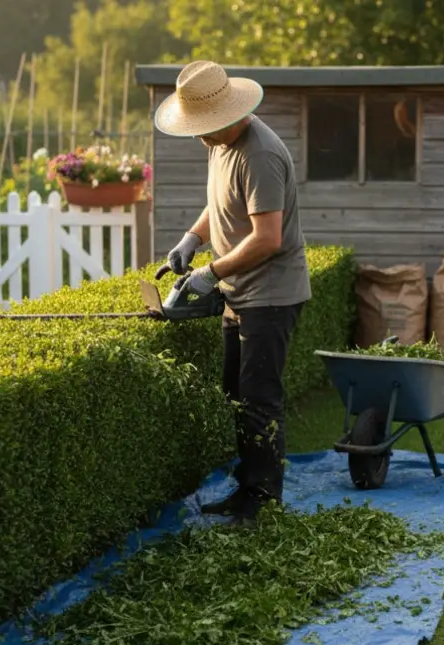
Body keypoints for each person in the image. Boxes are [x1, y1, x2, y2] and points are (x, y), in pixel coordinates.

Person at [154, 60, 311, 527]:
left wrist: (209, 273)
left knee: (260, 399)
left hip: (271, 295)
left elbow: (268, 238)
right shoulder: (221, 143)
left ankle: (264, 500)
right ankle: (248, 488)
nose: (200, 137)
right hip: (239, 293)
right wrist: (192, 238)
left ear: (229, 114)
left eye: (206, 128)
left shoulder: (259, 153)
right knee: (236, 395)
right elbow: (222, 201)